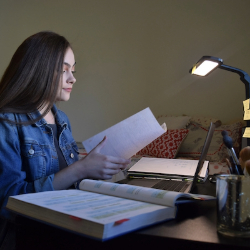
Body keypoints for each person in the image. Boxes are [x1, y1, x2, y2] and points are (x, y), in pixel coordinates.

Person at [0, 31, 130, 248]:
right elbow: (8, 202)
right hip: (26, 239)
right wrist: (80, 169)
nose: (73, 78)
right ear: (37, 70)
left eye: (74, 70)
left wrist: (99, 171)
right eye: (64, 70)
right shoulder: (7, 122)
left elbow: (68, 186)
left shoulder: (61, 119)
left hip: (66, 230)